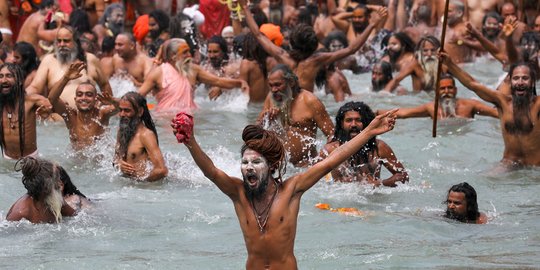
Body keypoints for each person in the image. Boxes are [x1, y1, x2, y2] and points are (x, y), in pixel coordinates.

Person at [174, 109, 397, 269]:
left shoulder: (292, 190)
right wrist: (190, 140)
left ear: (270, 166)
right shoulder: (238, 193)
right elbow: (211, 171)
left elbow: (330, 161)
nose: (249, 168)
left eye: (256, 162)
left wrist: (368, 132)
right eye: (245, 163)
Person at [241, 0, 387, 92]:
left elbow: (258, 35)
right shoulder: (317, 60)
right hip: (307, 105)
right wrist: (373, 24)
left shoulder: (282, 56)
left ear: (292, 42)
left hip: (287, 107)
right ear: (313, 45)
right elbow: (351, 49)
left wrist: (245, 8)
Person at [441, 53, 540, 168]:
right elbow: (472, 84)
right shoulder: (502, 102)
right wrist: (450, 64)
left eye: (525, 78)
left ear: (532, 82)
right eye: (516, 78)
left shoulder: (538, 105)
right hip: (509, 164)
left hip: (535, 168)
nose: (520, 82)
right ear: (510, 82)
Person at [138, 38, 248, 113]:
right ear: (173, 56)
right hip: (165, 118)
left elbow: (218, 81)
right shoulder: (158, 73)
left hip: (190, 116)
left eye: (189, 51)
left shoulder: (193, 70)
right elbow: (139, 95)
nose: (189, 55)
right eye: (184, 52)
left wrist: (240, 83)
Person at [258, 64, 334, 167]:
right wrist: (265, 119)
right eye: (270, 85)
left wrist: (320, 159)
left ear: (291, 82)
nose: (274, 90)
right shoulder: (271, 98)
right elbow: (256, 131)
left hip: (305, 167)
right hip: (278, 166)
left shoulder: (310, 101)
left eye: (277, 85)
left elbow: (332, 135)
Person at [321, 102, 408, 186]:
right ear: (341, 124)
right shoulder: (329, 150)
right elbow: (315, 180)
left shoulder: (379, 148)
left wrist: (381, 183)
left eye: (358, 120)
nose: (353, 124)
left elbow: (403, 176)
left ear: (367, 123)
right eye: (349, 120)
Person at [27, 25, 112, 109]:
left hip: (89, 118)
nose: (62, 44)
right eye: (59, 41)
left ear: (75, 42)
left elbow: (104, 84)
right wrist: (21, 96)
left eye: (66, 41)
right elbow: (35, 87)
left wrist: (107, 107)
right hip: (58, 120)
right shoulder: (49, 60)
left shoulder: (90, 59)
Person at [48, 62, 119, 151]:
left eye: (89, 95)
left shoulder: (102, 114)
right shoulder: (70, 116)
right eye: (80, 94)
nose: (83, 98)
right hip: (76, 163)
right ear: (75, 99)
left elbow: (121, 107)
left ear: (96, 99)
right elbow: (52, 98)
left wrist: (113, 101)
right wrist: (65, 78)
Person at [378, 74, 498, 120]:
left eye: (450, 88)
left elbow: (495, 114)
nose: (446, 91)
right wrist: (375, 113)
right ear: (437, 92)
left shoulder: (470, 105)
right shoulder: (431, 108)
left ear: (455, 90)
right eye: (442, 89)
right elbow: (404, 113)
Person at [0, 63, 52, 159]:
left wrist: (65, 78)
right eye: (1, 76)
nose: (3, 80)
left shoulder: (32, 102)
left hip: (31, 161)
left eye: (9, 76)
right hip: (6, 160)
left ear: (20, 81)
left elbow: (53, 103)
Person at [114, 92, 168, 182]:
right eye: (120, 110)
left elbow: (161, 170)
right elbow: (116, 158)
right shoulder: (121, 131)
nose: (122, 114)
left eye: (127, 110)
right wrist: (119, 164)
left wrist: (141, 183)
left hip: (142, 188)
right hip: (127, 186)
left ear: (140, 112)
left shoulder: (146, 135)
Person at [6, 157, 76, 223]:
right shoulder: (21, 212)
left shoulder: (55, 201)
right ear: (45, 188)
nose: (61, 183)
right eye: (57, 179)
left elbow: (76, 216)